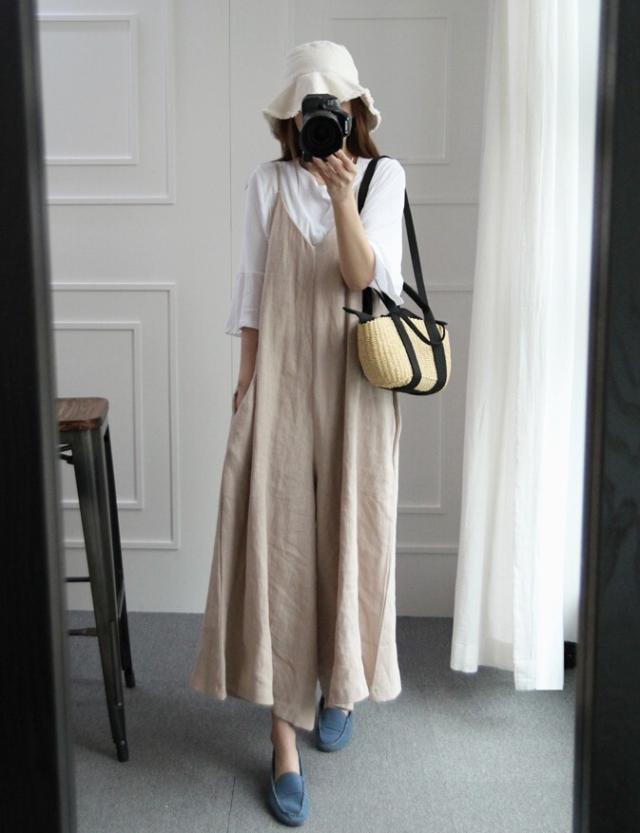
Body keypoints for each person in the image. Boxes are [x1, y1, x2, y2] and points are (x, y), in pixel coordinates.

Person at [190, 40, 406, 826]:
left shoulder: (383, 177)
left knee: (349, 536)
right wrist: (245, 385)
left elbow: (361, 276)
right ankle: (283, 738)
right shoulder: (267, 183)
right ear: (293, 117)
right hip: (279, 379)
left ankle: (339, 683)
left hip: (355, 385)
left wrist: (343, 196)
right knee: (279, 549)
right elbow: (253, 288)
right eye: (311, 107)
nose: (323, 119)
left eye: (334, 106)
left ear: (353, 111)